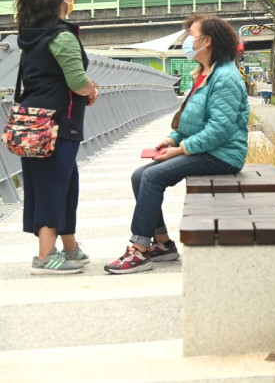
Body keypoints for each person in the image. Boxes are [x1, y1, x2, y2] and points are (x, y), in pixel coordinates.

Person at [105, 14, 250, 274]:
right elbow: (193, 122)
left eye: (190, 36)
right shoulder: (205, 73)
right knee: (140, 176)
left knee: (152, 178)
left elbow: (220, 128)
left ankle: (138, 250)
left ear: (206, 41)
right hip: (208, 149)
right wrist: (171, 140)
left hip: (223, 155)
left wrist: (180, 150)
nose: (185, 41)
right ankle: (162, 244)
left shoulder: (224, 77)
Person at [15, 0, 99, 275]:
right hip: (56, 123)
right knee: (54, 186)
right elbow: (76, 81)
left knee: (64, 183)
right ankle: (45, 256)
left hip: (34, 123)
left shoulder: (32, 34)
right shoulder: (62, 35)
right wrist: (92, 89)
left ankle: (70, 248)